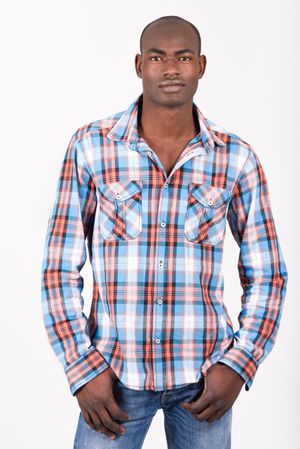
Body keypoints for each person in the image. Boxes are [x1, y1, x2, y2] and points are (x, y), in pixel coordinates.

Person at [41, 15, 288, 449]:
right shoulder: (91, 146)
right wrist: (81, 367)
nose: (171, 68)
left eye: (183, 57)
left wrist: (241, 362)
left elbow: (268, 274)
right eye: (157, 57)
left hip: (204, 383)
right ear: (139, 65)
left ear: (202, 65)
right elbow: (59, 269)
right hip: (113, 378)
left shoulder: (236, 158)